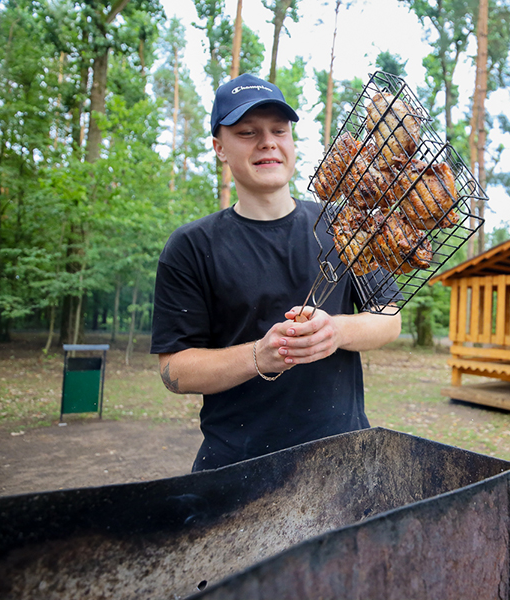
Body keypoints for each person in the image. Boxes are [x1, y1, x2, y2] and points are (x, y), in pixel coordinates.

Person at [150, 74, 402, 472]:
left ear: (291, 141)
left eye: (279, 130)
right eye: (248, 132)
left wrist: (335, 331)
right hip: (236, 468)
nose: (267, 142)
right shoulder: (192, 247)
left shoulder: (343, 224)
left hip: (342, 461)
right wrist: (259, 356)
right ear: (219, 148)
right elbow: (172, 370)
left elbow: (390, 320)